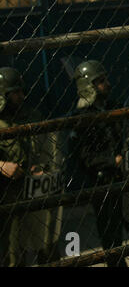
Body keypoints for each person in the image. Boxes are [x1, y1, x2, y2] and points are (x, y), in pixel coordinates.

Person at [69, 60, 129, 267]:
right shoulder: (80, 117)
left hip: (126, 179)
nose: (107, 84)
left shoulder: (115, 106)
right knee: (113, 245)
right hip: (104, 185)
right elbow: (83, 158)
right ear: (89, 86)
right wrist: (112, 160)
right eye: (100, 81)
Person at [0, 67, 62, 266]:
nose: (21, 96)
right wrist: (1, 165)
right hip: (8, 194)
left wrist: (43, 166)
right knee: (13, 254)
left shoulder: (32, 115)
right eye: (15, 92)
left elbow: (46, 146)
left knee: (46, 244)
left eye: (21, 91)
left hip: (35, 189)